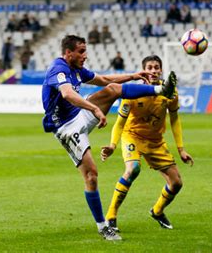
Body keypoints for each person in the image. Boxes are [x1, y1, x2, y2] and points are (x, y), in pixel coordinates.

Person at [41, 35, 177, 241]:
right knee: (91, 176)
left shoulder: (76, 68)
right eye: (81, 52)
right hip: (66, 127)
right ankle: (103, 226)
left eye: (85, 51)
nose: (85, 56)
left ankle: (159, 89)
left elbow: (104, 80)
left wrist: (133, 75)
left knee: (112, 89)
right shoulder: (58, 69)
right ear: (68, 53)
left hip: (79, 113)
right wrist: (95, 108)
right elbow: (68, 94)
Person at [100, 55, 194, 232]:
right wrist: (112, 145)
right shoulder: (132, 93)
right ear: (144, 71)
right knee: (132, 169)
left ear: (161, 70)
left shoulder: (170, 92)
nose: (153, 71)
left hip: (156, 141)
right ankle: (110, 217)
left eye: (156, 67)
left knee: (176, 183)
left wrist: (181, 149)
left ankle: (157, 211)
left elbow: (174, 120)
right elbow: (120, 122)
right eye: (149, 67)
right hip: (133, 136)